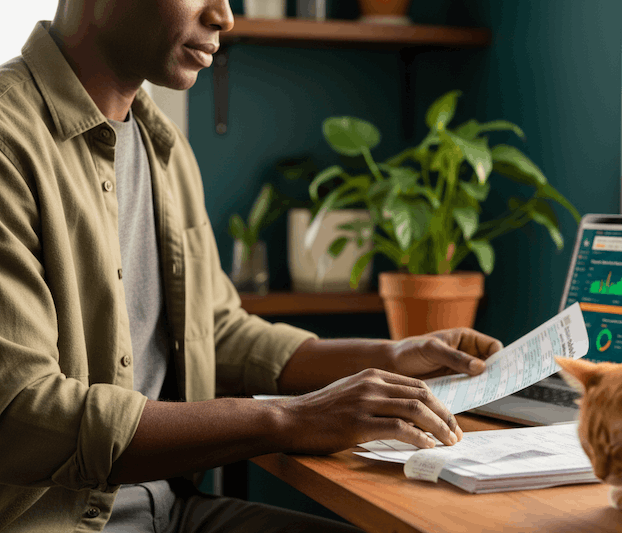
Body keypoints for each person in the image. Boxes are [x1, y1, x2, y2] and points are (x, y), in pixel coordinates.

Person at [0, 0, 504, 532]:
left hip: (173, 512)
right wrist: (289, 420)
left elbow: (215, 331)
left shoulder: (161, 145)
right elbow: (24, 415)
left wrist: (393, 356)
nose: (224, 15)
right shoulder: (10, 142)